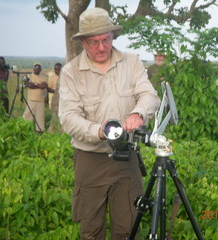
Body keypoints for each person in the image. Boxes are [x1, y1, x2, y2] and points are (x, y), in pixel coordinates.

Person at [58, 8, 160, 240]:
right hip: (90, 158)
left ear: (113, 37)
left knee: (128, 226)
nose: (102, 47)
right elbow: (69, 118)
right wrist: (100, 131)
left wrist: (138, 114)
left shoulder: (131, 62)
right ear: (83, 42)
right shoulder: (72, 72)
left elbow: (149, 95)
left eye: (106, 40)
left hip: (127, 157)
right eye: (94, 42)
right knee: (91, 229)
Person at [23, 63, 47, 133]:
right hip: (31, 100)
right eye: (36, 67)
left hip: (41, 100)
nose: (37, 69)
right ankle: (25, 130)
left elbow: (45, 85)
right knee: (28, 115)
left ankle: (39, 132)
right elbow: (29, 85)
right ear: (33, 69)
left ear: (41, 69)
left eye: (39, 68)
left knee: (40, 118)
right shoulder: (29, 76)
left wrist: (35, 84)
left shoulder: (43, 77)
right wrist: (39, 85)